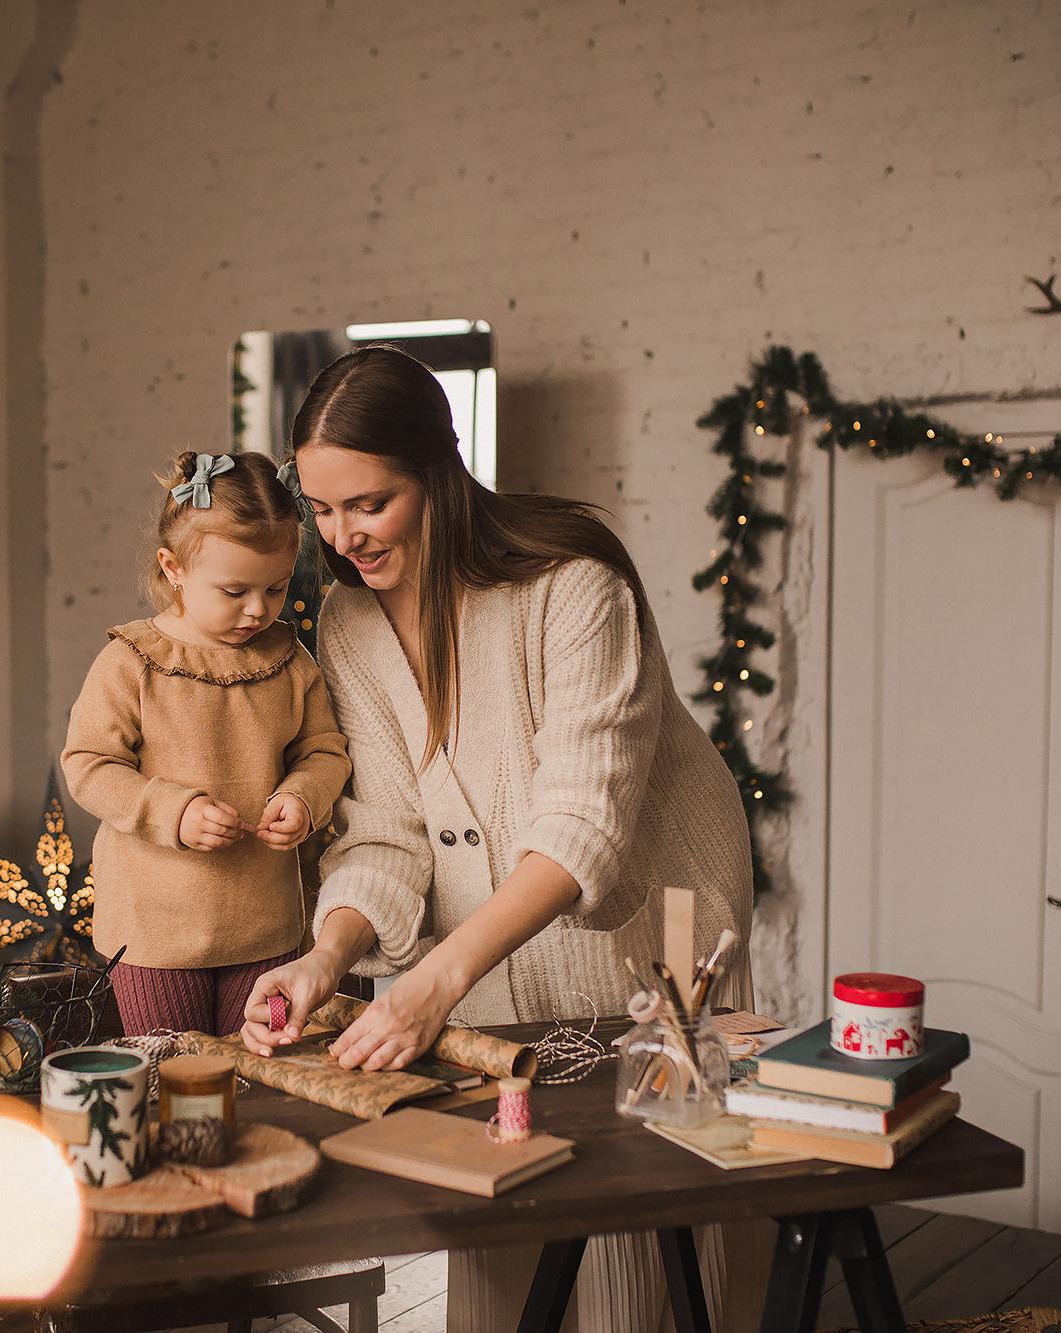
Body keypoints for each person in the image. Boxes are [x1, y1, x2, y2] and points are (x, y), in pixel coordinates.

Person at [239, 347, 765, 1333]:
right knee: (502, 1249)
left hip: (644, 952)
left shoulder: (574, 586)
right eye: (319, 507)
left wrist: (432, 982)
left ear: (437, 471)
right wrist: (326, 954)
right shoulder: (347, 623)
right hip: (481, 974)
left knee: (633, 1276)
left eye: (369, 502)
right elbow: (386, 829)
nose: (340, 534)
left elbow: (580, 828)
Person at [60, 450, 351, 1036]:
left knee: (257, 1073)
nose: (258, 610)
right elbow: (89, 764)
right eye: (234, 590)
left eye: (275, 589)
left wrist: (305, 797)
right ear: (173, 568)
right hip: (153, 931)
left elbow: (325, 750)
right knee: (172, 1075)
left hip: (264, 927)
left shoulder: (289, 660)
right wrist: (175, 808)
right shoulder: (132, 662)